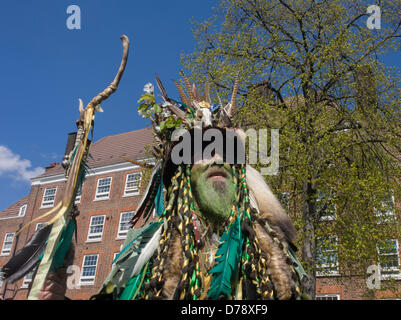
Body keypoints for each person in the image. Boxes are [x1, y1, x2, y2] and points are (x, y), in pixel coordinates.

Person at [38, 76, 308, 300]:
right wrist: (59, 295)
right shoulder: (145, 249)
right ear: (181, 176)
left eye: (225, 152)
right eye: (203, 150)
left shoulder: (273, 250)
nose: (216, 158)